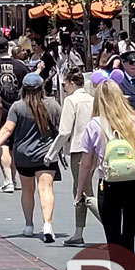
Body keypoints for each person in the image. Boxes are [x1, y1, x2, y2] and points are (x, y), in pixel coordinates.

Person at [74, 77, 135, 252]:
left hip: (109, 185)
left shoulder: (94, 125)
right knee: (129, 236)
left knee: (113, 237)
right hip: (134, 183)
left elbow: (86, 164)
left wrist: (80, 191)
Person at [0, 73, 61, 242]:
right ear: (41, 88)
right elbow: (62, 129)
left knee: (27, 190)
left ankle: (29, 225)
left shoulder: (17, 107)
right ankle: (47, 225)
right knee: (46, 189)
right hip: (46, 154)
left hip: (24, 155)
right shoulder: (52, 105)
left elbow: (8, 129)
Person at [44, 70, 99, 246]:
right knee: (83, 189)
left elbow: (65, 131)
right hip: (96, 149)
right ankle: (78, 232)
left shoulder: (71, 101)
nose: (64, 88)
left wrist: (51, 153)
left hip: (79, 150)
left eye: (64, 84)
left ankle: (110, 224)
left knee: (83, 191)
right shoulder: (92, 100)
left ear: (70, 82)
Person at [0, 36, 29, 193]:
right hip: (19, 107)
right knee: (15, 144)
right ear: (9, 48)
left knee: (3, 143)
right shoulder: (20, 66)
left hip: (0, 109)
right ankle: (13, 177)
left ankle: (8, 180)